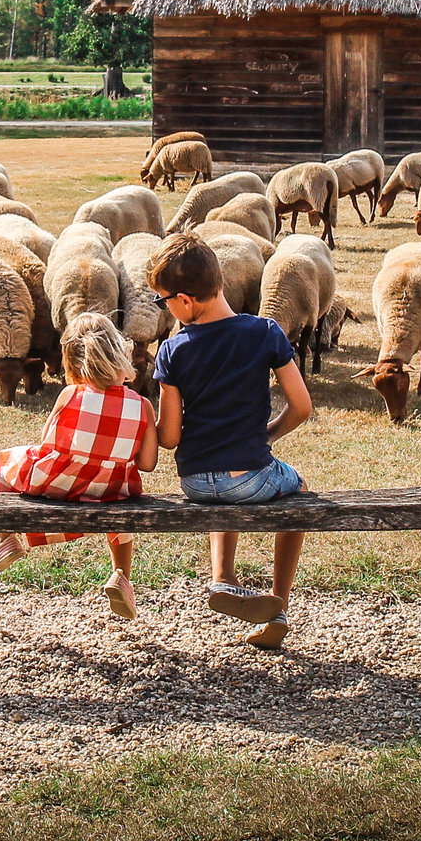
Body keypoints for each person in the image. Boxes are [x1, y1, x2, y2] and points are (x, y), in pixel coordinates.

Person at [145, 232, 316, 650]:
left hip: (197, 483)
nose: (165, 308)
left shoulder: (172, 349)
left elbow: (168, 438)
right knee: (300, 494)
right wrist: (267, 435)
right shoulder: (265, 333)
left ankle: (223, 578)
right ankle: (278, 607)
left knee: (222, 493)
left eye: (162, 300)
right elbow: (301, 407)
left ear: (185, 301)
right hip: (252, 476)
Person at [0, 313, 158, 619]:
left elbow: (48, 441)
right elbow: (148, 463)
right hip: (111, 490)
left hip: (58, 484)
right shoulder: (142, 405)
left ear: (74, 362)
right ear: (120, 354)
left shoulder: (70, 394)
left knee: (0, 462)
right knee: (121, 502)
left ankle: (6, 538)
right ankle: (121, 576)